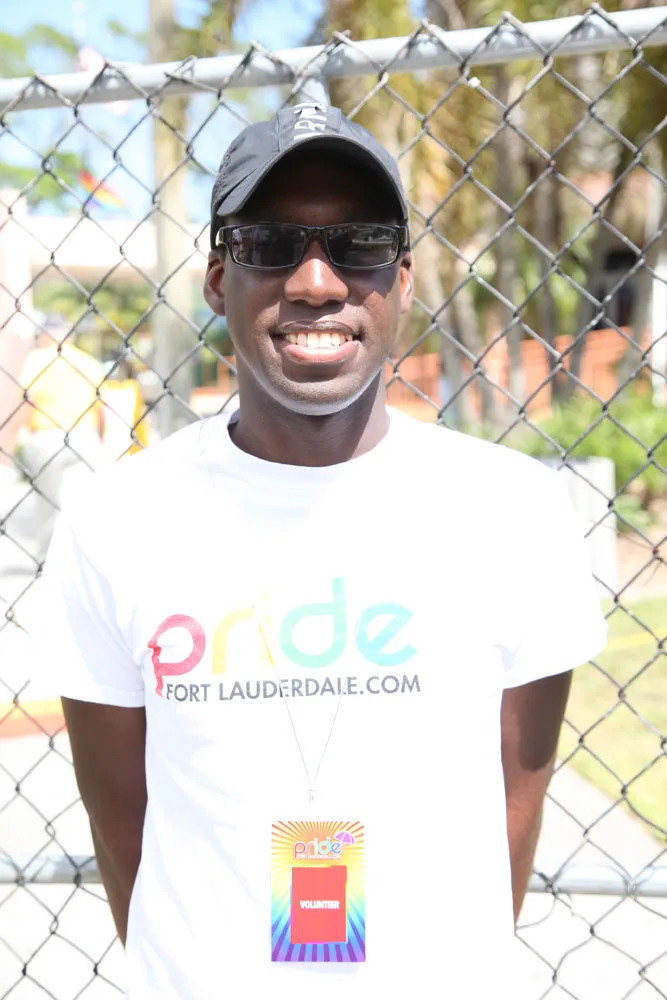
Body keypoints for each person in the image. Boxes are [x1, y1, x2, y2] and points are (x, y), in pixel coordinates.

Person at [38, 103, 606, 999]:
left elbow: (513, 806)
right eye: (269, 244)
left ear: (402, 280)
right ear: (218, 280)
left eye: (359, 243)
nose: (313, 281)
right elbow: (123, 826)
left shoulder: (511, 511)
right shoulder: (116, 521)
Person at [17, 320, 106, 561]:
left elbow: (29, 400)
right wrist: (100, 436)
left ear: (46, 335)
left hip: (47, 435)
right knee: (82, 501)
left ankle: (48, 561)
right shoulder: (87, 361)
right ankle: (81, 559)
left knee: (47, 503)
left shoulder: (38, 359)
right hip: (85, 434)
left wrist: (23, 433)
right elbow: (100, 406)